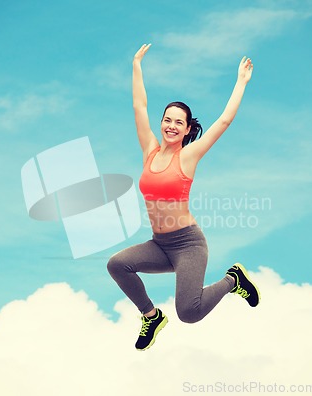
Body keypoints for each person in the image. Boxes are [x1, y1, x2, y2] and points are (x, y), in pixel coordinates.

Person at [107, 44, 260, 351]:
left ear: (188, 129)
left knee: (189, 312)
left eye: (179, 122)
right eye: (167, 119)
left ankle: (234, 279)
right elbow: (139, 106)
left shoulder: (188, 156)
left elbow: (224, 122)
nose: (171, 125)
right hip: (159, 244)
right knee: (117, 264)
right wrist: (136, 64)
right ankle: (151, 316)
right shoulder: (149, 151)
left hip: (188, 244)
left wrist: (241, 82)